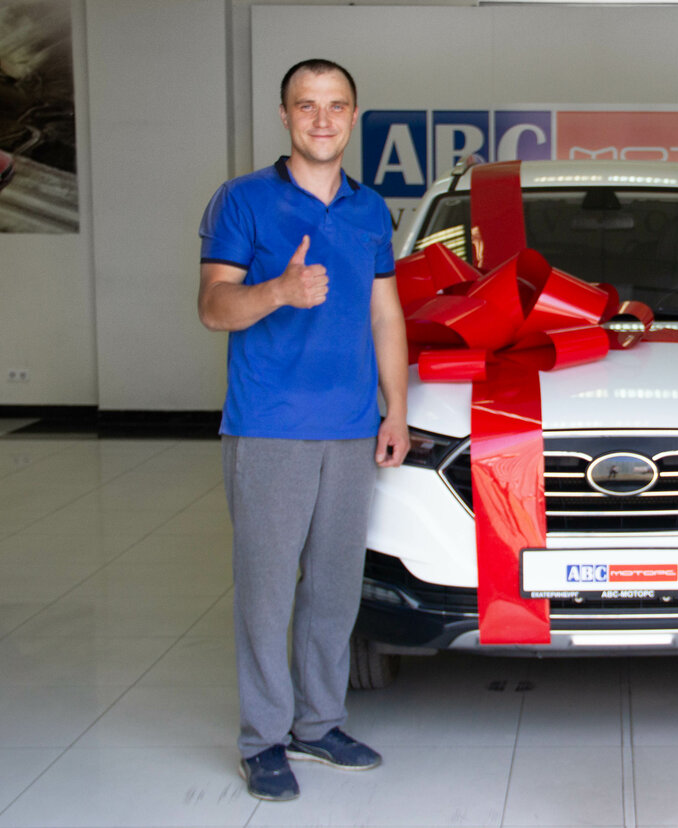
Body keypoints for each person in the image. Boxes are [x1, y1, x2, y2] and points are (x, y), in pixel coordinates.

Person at [197, 58, 410, 800]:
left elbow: (386, 313)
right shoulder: (243, 200)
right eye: (307, 105)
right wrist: (279, 291)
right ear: (285, 115)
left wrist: (396, 408)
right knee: (266, 593)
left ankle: (318, 724)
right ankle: (263, 739)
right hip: (270, 427)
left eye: (336, 105)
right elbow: (212, 307)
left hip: (350, 427)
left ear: (353, 116)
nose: (322, 119)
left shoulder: (369, 209)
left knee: (334, 589)